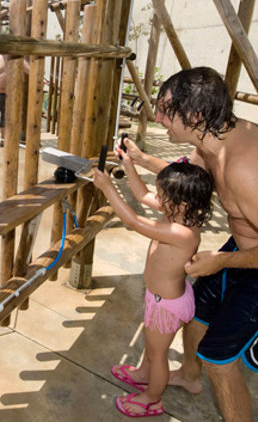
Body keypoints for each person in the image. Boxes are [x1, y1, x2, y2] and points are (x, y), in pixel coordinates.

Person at [126, 67, 258, 421]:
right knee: (197, 315)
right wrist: (140, 159)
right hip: (252, 246)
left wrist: (221, 261)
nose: (157, 118)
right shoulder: (211, 140)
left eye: (165, 110)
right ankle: (189, 377)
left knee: (219, 361)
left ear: (195, 116)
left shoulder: (243, 167)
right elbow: (185, 182)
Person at [95, 150, 214, 418]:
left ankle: (152, 398)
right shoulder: (179, 214)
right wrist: (129, 164)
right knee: (152, 348)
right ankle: (142, 374)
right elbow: (141, 195)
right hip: (162, 299)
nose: (157, 200)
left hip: (166, 306)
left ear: (181, 203)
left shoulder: (181, 232)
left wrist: (107, 187)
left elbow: (132, 220)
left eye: (163, 196)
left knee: (158, 355)